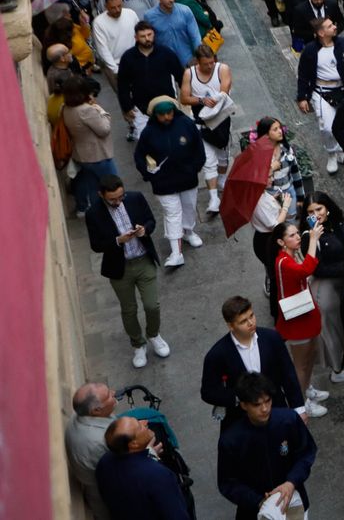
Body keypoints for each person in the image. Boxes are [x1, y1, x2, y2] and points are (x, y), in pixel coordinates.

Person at [85, 176, 167, 368]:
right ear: (101, 195)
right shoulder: (93, 213)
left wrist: (143, 230)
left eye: (121, 196)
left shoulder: (135, 198)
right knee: (129, 309)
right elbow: (96, 245)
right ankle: (138, 344)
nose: (118, 201)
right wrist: (117, 241)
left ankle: (154, 335)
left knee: (152, 305)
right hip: (120, 268)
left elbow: (151, 220)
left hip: (143, 260)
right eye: (113, 199)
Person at [216, 372, 318, 520]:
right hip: (255, 512)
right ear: (244, 405)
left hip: (294, 503)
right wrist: (258, 501)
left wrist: (291, 482)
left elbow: (306, 453)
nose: (264, 408)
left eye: (267, 401)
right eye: (257, 404)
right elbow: (228, 483)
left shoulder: (289, 420)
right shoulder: (231, 440)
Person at [201, 295, 315, 421]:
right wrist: (239, 397)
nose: (251, 323)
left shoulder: (272, 338)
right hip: (243, 419)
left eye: (252, 316)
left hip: (277, 410)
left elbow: (288, 374)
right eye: (243, 321)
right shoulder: (218, 354)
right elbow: (208, 392)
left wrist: (299, 409)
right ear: (231, 326)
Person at [133, 96, 205, 266]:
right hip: (163, 183)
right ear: (155, 115)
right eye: (162, 114)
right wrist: (149, 175)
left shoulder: (186, 124)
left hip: (187, 178)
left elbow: (198, 148)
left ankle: (188, 231)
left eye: (169, 113)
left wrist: (195, 167)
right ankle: (176, 252)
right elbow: (139, 156)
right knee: (172, 213)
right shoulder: (148, 133)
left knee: (188, 207)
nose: (166, 117)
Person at [296, 16, 344, 174]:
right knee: (327, 127)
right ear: (321, 33)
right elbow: (303, 75)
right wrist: (302, 97)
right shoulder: (310, 50)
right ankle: (332, 153)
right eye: (330, 26)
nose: (335, 27)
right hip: (322, 92)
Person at [271, 218, 328, 413]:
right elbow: (306, 269)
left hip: (305, 313)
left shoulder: (291, 254)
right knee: (300, 365)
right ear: (281, 241)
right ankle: (301, 403)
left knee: (310, 356)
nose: (297, 237)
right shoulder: (283, 262)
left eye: (297, 233)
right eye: (292, 235)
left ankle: (307, 389)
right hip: (297, 319)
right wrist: (312, 240)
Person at [94, 415, 190, 520]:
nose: (145, 422)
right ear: (134, 444)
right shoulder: (158, 475)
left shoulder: (104, 462)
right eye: (139, 426)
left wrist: (148, 456)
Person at [304, 193, 344, 384]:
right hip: (326, 289)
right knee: (332, 330)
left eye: (319, 209)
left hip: (343, 282)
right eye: (310, 211)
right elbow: (318, 267)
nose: (316, 214)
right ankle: (337, 369)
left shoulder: (337, 223)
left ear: (327, 208)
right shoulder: (309, 236)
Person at [179, 42, 232, 215]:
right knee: (209, 162)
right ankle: (213, 198)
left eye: (211, 62)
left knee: (223, 158)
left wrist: (216, 99)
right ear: (197, 62)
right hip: (201, 123)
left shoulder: (222, 69)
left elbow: (225, 89)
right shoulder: (189, 74)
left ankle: (222, 180)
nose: (209, 66)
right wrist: (202, 100)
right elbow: (184, 98)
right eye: (205, 64)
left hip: (221, 121)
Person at [117, 22, 184, 142]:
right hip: (141, 109)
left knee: (171, 139)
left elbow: (181, 76)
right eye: (143, 36)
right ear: (136, 38)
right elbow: (123, 85)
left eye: (149, 34)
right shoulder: (128, 58)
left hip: (167, 106)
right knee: (146, 142)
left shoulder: (166, 53)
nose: (147, 39)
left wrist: (184, 100)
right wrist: (127, 107)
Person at [63, 76, 119, 217]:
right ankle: (115, 212)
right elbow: (104, 129)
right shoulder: (86, 110)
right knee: (113, 185)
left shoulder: (66, 108)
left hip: (81, 155)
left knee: (94, 188)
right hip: (98, 155)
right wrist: (102, 111)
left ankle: (97, 214)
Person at [66, 382, 117, 520]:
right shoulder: (100, 441)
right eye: (108, 396)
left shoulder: (79, 415)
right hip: (105, 493)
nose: (113, 393)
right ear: (96, 411)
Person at [92, 0, 140, 93]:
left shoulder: (131, 14)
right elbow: (102, 49)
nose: (117, 10)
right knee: (124, 96)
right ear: (106, 7)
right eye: (113, 8)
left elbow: (139, 35)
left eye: (119, 6)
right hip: (116, 64)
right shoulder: (99, 23)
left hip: (136, 59)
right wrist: (115, 70)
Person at [142, 0, 202, 64]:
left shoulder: (185, 11)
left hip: (187, 59)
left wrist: (198, 57)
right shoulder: (149, 16)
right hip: (163, 60)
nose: (170, 0)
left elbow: (195, 36)